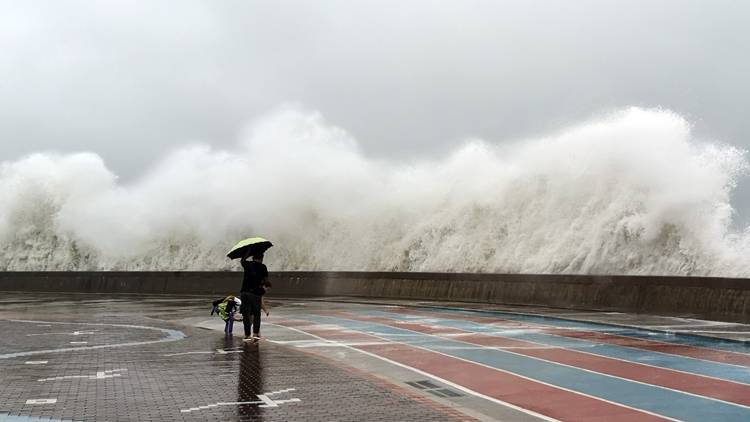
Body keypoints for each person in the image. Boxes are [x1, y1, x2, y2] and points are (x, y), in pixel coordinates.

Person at [239, 250, 269, 342]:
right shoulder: (263, 267)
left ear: (253, 257)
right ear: (261, 258)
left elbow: (242, 261)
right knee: (256, 314)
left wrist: (248, 251)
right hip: (256, 293)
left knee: (246, 315)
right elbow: (265, 280)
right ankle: (255, 333)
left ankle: (247, 335)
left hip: (245, 293)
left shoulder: (247, 264)